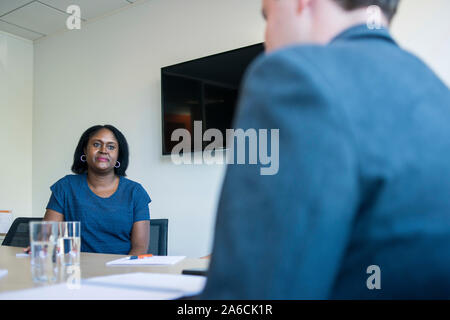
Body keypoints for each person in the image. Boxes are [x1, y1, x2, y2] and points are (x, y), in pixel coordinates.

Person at [200, 0, 450, 299]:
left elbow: (250, 297)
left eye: (268, 16)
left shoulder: (293, 74)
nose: (267, 38)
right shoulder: (436, 91)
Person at [27, 125, 151, 255]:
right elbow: (47, 237)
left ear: (119, 154)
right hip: (75, 270)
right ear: (85, 150)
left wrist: (122, 272)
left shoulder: (135, 192)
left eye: (111, 147)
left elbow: (140, 247)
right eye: (97, 144)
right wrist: (40, 246)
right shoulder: (65, 187)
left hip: (120, 270)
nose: (103, 150)